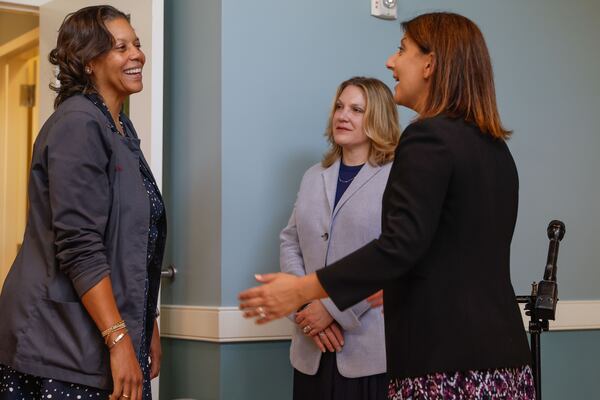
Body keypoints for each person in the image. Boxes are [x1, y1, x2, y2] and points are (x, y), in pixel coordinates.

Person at [240, 12, 535, 399]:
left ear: (429, 65)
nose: (391, 62)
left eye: (402, 50)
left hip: (446, 366)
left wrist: (301, 289)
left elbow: (399, 246)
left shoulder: (427, 138)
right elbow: (443, 252)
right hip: (505, 362)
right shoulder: (495, 148)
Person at [0, 6, 165, 400]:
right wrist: (120, 339)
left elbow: (132, 245)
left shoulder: (120, 128)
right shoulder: (79, 124)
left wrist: (148, 324)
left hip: (104, 332)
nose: (137, 55)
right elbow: (80, 246)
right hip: (58, 343)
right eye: (120, 47)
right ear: (90, 61)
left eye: (137, 45)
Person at [281, 77, 400, 400]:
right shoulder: (313, 175)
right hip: (311, 350)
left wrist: (332, 309)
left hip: (369, 351)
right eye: (339, 106)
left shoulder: (397, 178)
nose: (342, 115)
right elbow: (290, 241)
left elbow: (392, 255)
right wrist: (307, 308)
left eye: (356, 109)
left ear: (378, 118)